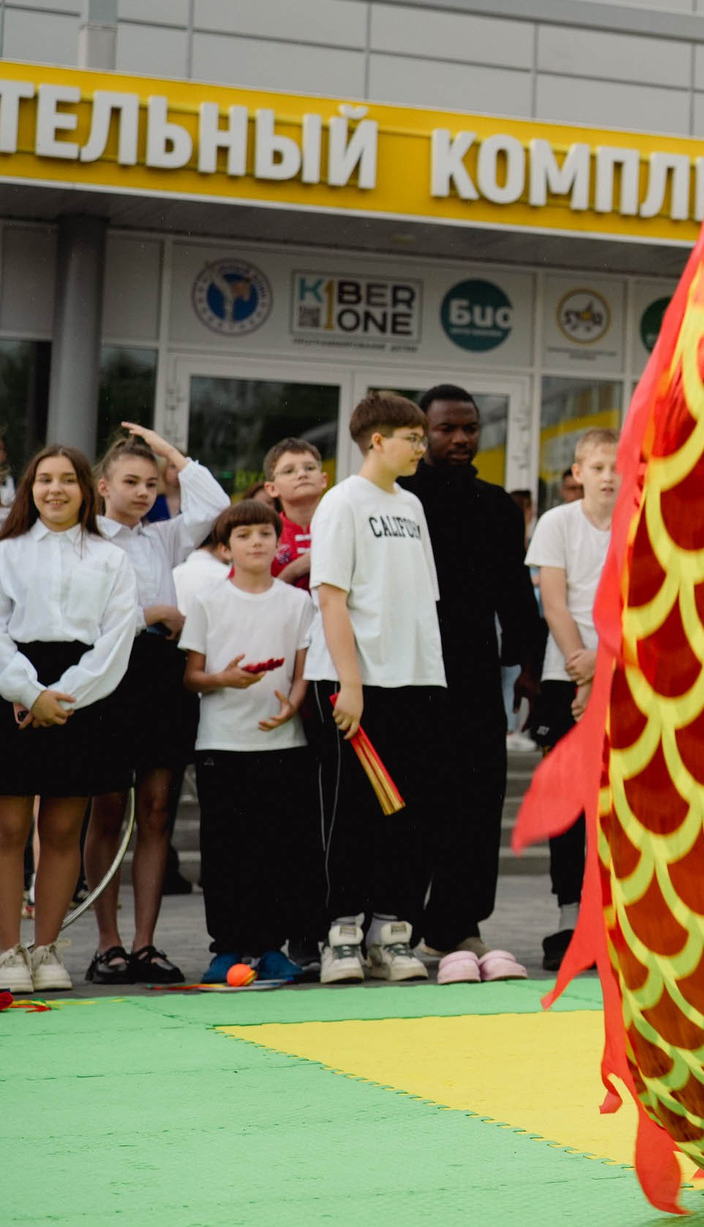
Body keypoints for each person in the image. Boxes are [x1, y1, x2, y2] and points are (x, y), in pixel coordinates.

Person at [306, 392, 445, 986]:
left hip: (414, 677)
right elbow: (331, 596)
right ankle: (340, 934)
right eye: (411, 438)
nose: (422, 447)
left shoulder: (412, 504)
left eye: (422, 437)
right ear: (376, 441)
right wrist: (352, 685)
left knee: (405, 816)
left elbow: (420, 600)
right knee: (353, 815)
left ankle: (391, 933)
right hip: (354, 681)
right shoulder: (342, 503)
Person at [407, 386, 543, 976]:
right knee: (415, 803)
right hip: (406, 673)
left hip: (474, 671)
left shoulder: (497, 508)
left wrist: (528, 667)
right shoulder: (397, 501)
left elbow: (516, 595)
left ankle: (460, 928)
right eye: (446, 430)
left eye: (470, 428)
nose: (460, 439)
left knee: (478, 802)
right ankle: (398, 927)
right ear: (422, 435)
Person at [85, 422, 225, 986]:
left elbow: (214, 505)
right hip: (109, 673)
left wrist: (171, 454)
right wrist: (153, 614)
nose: (143, 493)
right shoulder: (83, 541)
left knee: (158, 809)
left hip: (161, 677)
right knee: (109, 808)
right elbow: (81, 620)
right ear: (102, 485)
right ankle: (107, 943)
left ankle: (145, 943)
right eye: (131, 481)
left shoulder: (161, 537)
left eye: (151, 484)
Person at [0, 446, 141, 994]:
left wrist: (66, 696)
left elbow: (115, 637)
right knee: (8, 828)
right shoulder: (7, 553)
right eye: (43, 480)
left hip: (83, 692)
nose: (54, 489)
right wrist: (29, 692)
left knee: (61, 829)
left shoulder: (111, 559)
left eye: (66, 480)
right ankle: (8, 951)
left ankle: (47, 950)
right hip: (14, 688)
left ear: (86, 488)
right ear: (29, 489)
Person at [179, 498, 320, 984]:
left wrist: (292, 704)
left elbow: (303, 671)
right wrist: (224, 678)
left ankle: (271, 946)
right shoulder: (207, 602)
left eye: (264, 533)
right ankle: (227, 947)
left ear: (279, 542)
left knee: (279, 849)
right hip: (221, 743)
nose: (256, 542)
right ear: (224, 547)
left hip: (285, 744)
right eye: (243, 535)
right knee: (225, 852)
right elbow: (192, 676)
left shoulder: (298, 602)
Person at [524, 427, 618, 974]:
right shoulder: (557, 523)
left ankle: (616, 917)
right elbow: (554, 601)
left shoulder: (639, 524)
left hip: (622, 673)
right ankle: (570, 916)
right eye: (598, 467)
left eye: (617, 466)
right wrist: (579, 664)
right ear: (577, 474)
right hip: (568, 674)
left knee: (618, 802)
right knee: (570, 804)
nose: (609, 476)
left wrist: (602, 661)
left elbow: (640, 597)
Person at [259, 437, 328, 587]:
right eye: (289, 471)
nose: (302, 474)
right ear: (272, 488)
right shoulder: (263, 533)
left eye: (310, 468)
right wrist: (294, 571)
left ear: (324, 480)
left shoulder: (341, 525)